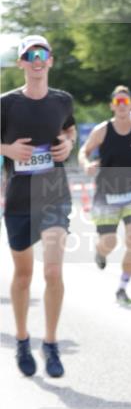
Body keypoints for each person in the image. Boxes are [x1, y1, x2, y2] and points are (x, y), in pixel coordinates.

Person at [1, 35, 76, 378]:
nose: (36, 59)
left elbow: (69, 131)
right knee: (24, 275)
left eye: (41, 53)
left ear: (50, 60)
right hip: (17, 198)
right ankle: (21, 337)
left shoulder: (62, 100)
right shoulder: (6, 104)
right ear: (20, 62)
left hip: (53, 193)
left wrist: (68, 146)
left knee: (53, 271)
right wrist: (7, 150)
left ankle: (50, 342)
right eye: (29, 54)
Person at [79, 86, 131, 305]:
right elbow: (83, 151)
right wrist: (86, 163)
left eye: (125, 102)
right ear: (112, 106)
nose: (122, 106)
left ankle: (122, 287)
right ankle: (100, 252)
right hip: (106, 192)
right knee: (109, 241)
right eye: (118, 102)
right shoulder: (102, 130)